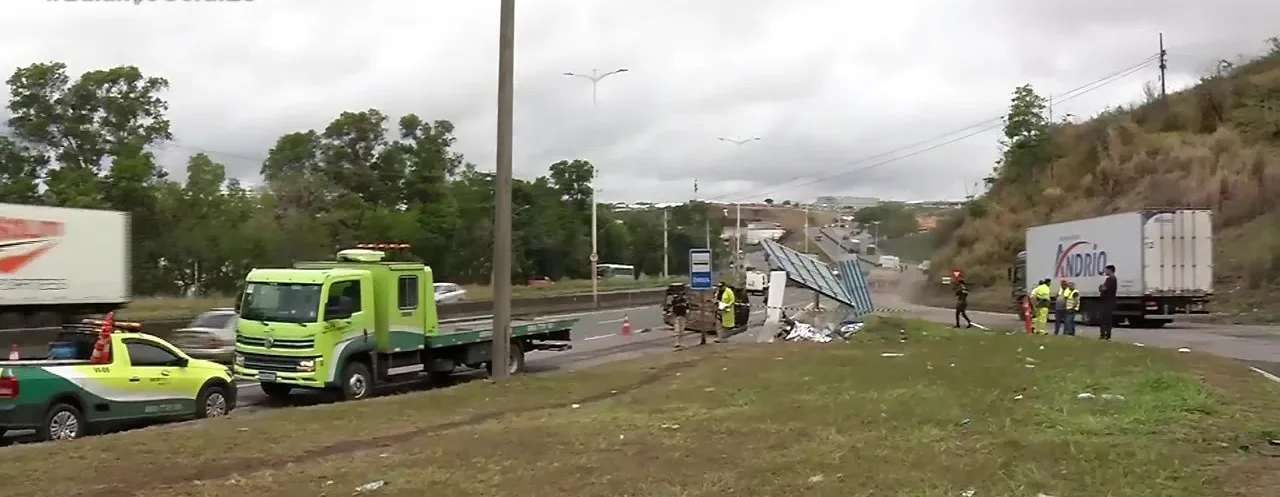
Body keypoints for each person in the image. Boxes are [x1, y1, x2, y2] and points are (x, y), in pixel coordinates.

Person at [1098, 264, 1118, 340]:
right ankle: (1105, 334)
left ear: (1110, 270)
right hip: (1108, 301)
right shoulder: (1111, 279)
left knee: (1105, 319)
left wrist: (1101, 287)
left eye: (1106, 270)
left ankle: (1105, 334)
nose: (1105, 271)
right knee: (1106, 319)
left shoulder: (1111, 279)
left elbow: (1103, 289)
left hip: (1107, 301)